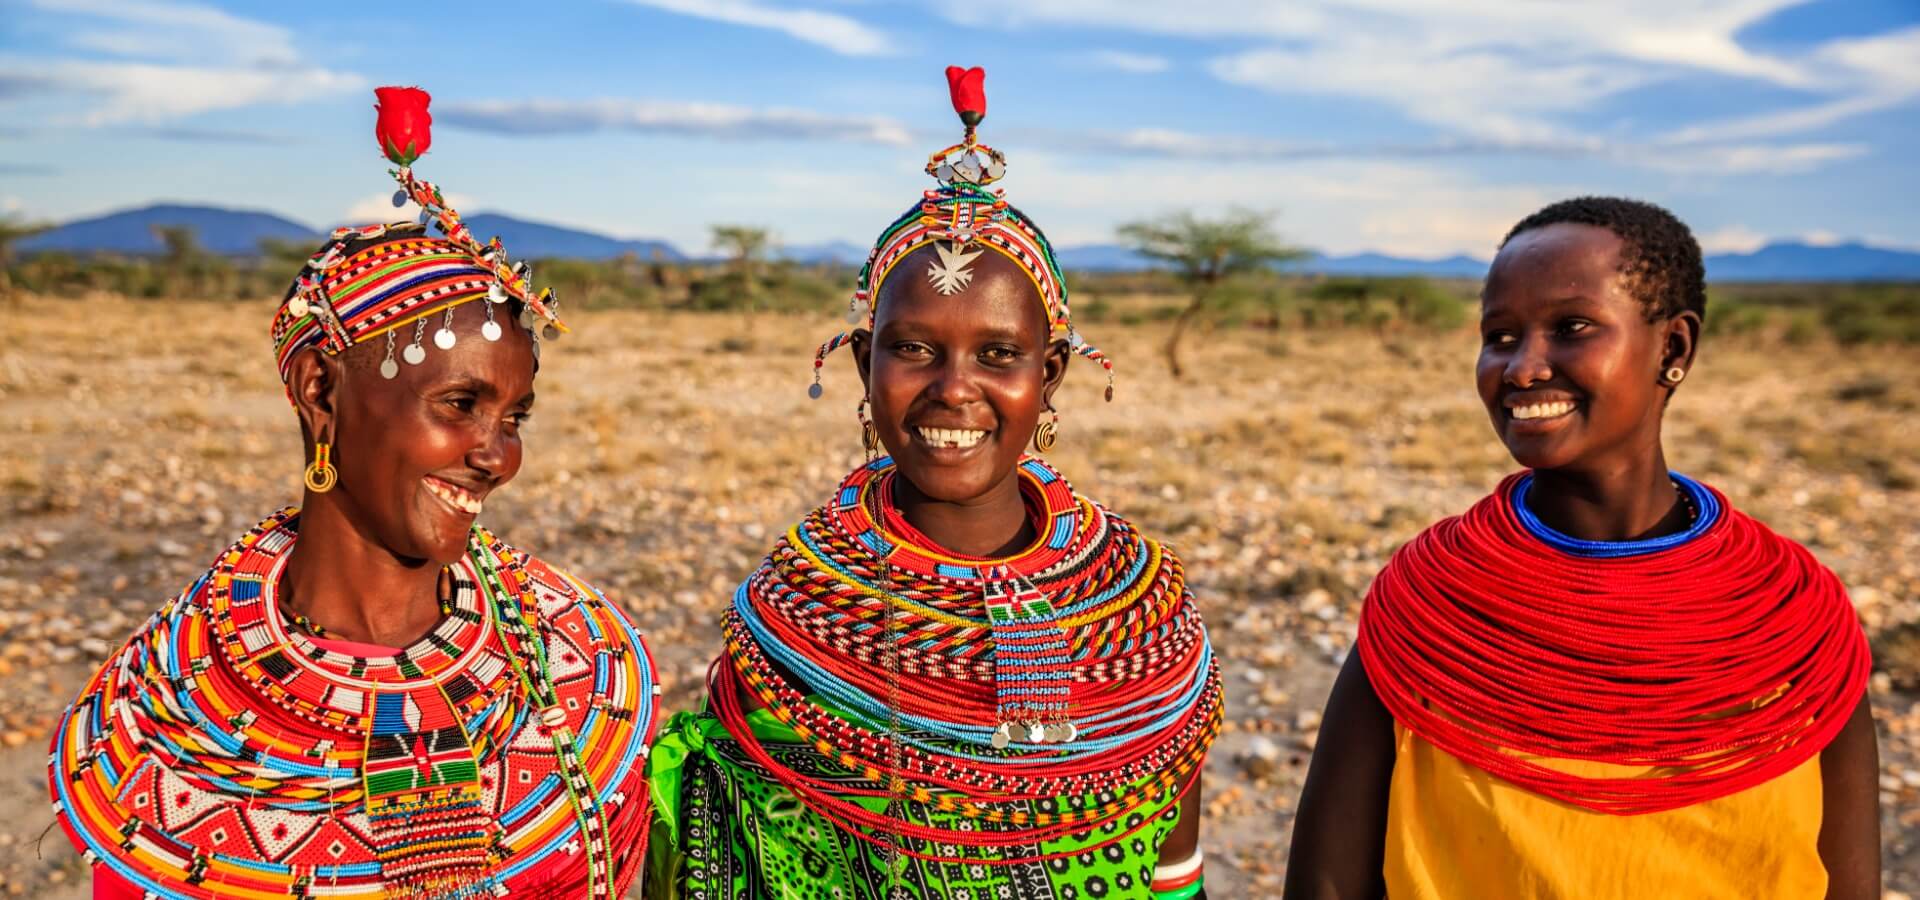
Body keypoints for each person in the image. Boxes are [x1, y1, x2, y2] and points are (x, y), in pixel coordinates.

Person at [48, 87, 661, 899]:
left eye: (517, 417)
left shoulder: (573, 660)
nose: (499, 457)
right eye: (460, 405)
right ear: (320, 392)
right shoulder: (168, 714)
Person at [646, 66, 1223, 900]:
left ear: (1050, 375)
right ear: (862, 363)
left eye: (998, 355)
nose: (954, 388)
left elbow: (1175, 883)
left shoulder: (1141, 618)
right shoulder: (792, 623)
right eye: (913, 348)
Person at [1284, 196, 1879, 900]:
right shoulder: (1432, 602)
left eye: (1572, 328)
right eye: (1500, 336)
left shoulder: (1788, 615)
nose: (1524, 367)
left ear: (1674, 348)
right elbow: (1326, 885)